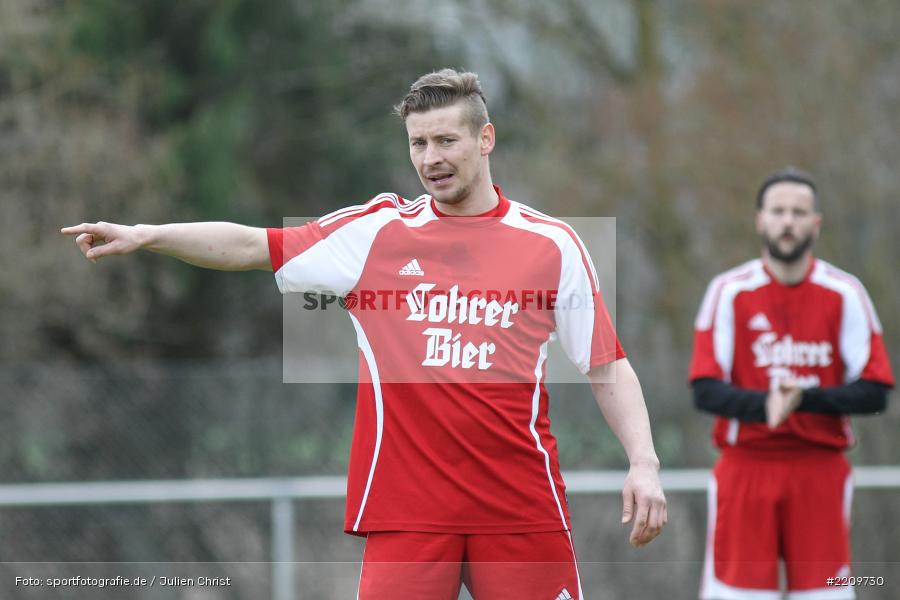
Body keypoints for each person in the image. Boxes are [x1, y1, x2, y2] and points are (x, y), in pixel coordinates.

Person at [63, 68, 666, 599]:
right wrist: (148, 235)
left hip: (521, 504)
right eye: (418, 143)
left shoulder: (552, 244)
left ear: (486, 140)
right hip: (407, 511)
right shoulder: (375, 233)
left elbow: (605, 364)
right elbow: (250, 245)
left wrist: (643, 463)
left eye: (446, 140)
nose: (431, 157)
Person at [688, 167, 894, 600]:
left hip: (819, 467)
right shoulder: (728, 291)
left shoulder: (845, 292)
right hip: (747, 466)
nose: (788, 222)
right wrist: (766, 406)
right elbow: (704, 388)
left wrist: (804, 398)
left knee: (828, 593)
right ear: (759, 220)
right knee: (737, 595)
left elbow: (876, 389)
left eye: (799, 212)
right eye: (778, 211)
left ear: (815, 224)